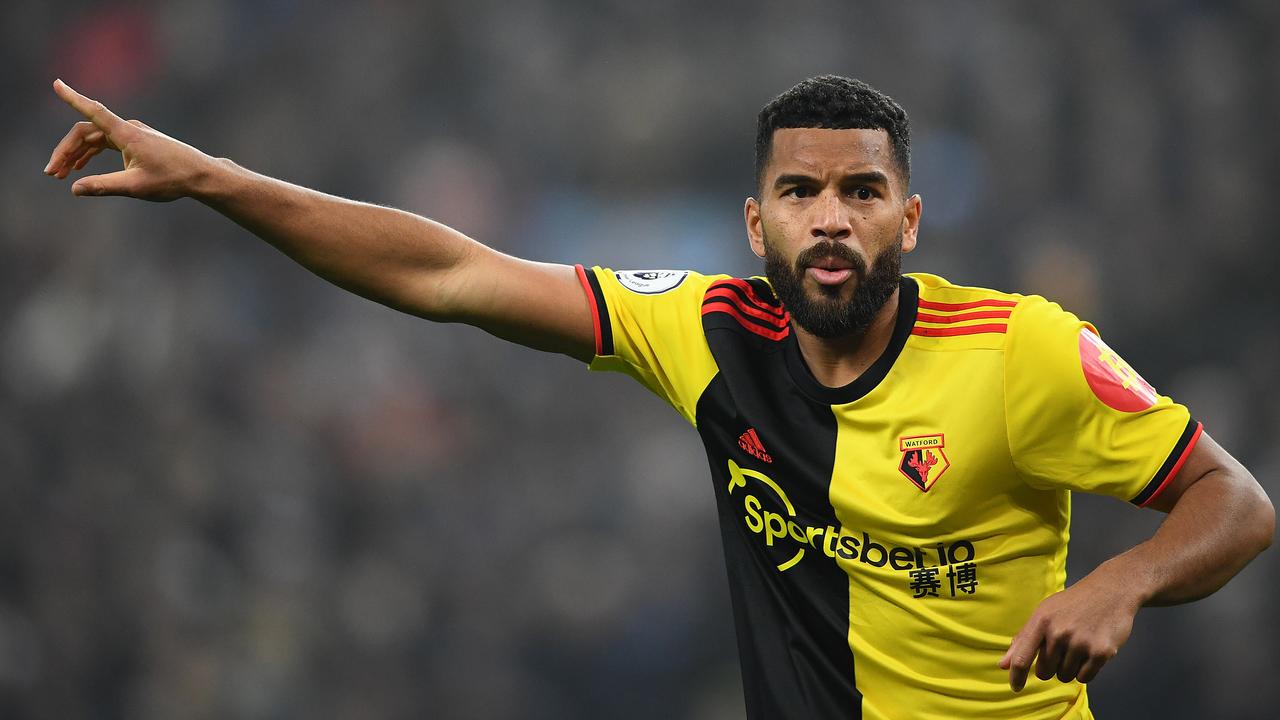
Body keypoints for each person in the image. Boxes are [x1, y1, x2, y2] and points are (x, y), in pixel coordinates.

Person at [43, 74, 1272, 720]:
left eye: (858, 190)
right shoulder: (703, 329)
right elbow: (452, 271)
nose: (828, 217)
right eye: (799, 192)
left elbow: (1234, 503)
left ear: (908, 215)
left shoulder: (1023, 352)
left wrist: (1120, 579)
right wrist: (210, 177)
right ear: (756, 222)